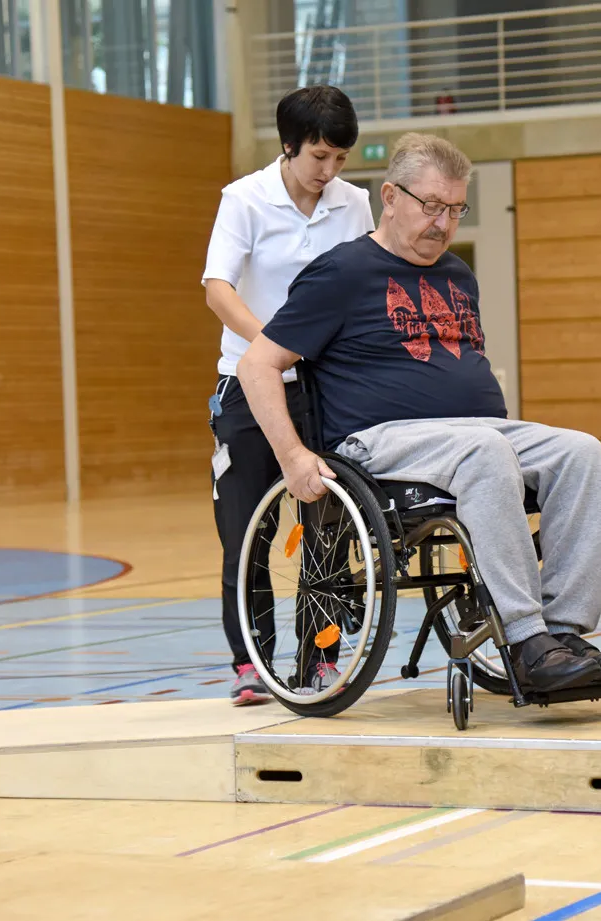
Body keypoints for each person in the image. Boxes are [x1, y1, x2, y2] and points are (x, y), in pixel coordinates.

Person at [236, 133, 601, 694]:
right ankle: (524, 641)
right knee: (486, 452)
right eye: (430, 206)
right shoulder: (342, 273)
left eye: (455, 209)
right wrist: (294, 456)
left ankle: (563, 635)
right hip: (380, 440)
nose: (444, 224)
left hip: (474, 434)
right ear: (390, 197)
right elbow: (257, 365)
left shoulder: (456, 275)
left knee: (581, 451)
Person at [201, 85, 374, 705]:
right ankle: (251, 664)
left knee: (327, 526)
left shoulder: (354, 206)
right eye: (319, 157)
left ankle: (319, 658)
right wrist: (273, 345)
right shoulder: (244, 199)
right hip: (250, 383)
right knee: (248, 526)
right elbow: (218, 286)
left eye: (340, 160)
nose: (329, 172)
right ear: (289, 146)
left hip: (325, 390)